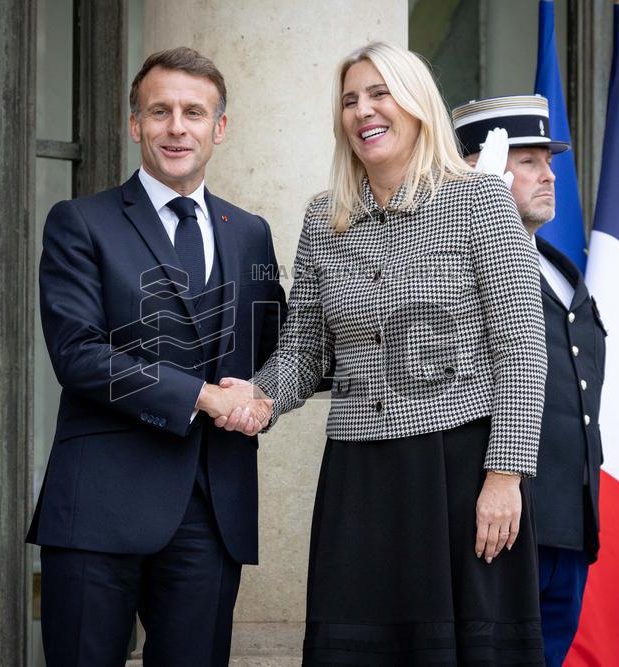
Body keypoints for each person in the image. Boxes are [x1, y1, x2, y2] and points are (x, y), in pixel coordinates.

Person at [219, 43, 547, 665]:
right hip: (359, 478)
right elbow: (308, 346)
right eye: (349, 100)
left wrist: (505, 476)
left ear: (417, 104)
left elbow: (521, 346)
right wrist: (260, 397)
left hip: (461, 470)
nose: (363, 110)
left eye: (378, 93)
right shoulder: (325, 218)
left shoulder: (481, 200)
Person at [26, 47, 286, 666]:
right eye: (160, 111)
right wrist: (203, 396)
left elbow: (283, 348)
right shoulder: (79, 222)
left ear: (218, 128)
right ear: (135, 124)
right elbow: (78, 354)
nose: (177, 127)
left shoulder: (250, 231)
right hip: (97, 510)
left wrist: (266, 397)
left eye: (193, 113)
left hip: (212, 511)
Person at [452, 95, 607, 667]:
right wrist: (473, 205)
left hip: (568, 518)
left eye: (549, 160)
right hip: (501, 518)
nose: (548, 176)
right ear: (479, 167)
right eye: (527, 160)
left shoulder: (561, 268)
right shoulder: (456, 262)